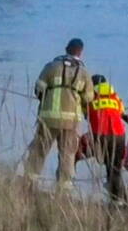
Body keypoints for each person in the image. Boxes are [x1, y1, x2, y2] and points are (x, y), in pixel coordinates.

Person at [24, 38, 94, 192]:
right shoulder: (84, 73)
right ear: (81, 52)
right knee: (67, 155)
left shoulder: (51, 66)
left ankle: (30, 182)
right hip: (71, 122)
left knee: (39, 150)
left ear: (66, 49)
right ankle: (64, 189)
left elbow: (38, 89)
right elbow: (89, 98)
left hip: (48, 118)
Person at [87, 74, 127, 202]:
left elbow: (85, 113)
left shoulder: (91, 96)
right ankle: (117, 196)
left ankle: (116, 197)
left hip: (102, 134)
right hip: (119, 134)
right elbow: (121, 111)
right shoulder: (115, 96)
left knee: (109, 165)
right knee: (116, 167)